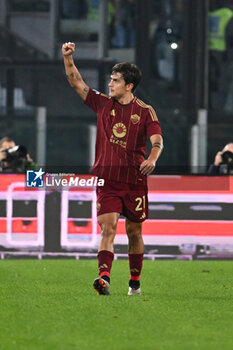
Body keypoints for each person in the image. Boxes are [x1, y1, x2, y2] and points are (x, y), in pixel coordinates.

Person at [62, 42, 163, 296]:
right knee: (108, 228)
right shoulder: (103, 104)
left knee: (133, 231)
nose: (110, 84)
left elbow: (157, 140)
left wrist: (152, 158)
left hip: (134, 181)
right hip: (106, 180)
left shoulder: (145, 112)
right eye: (110, 79)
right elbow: (77, 83)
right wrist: (68, 58)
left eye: (115, 81)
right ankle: (104, 278)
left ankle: (135, 283)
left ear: (129, 86)